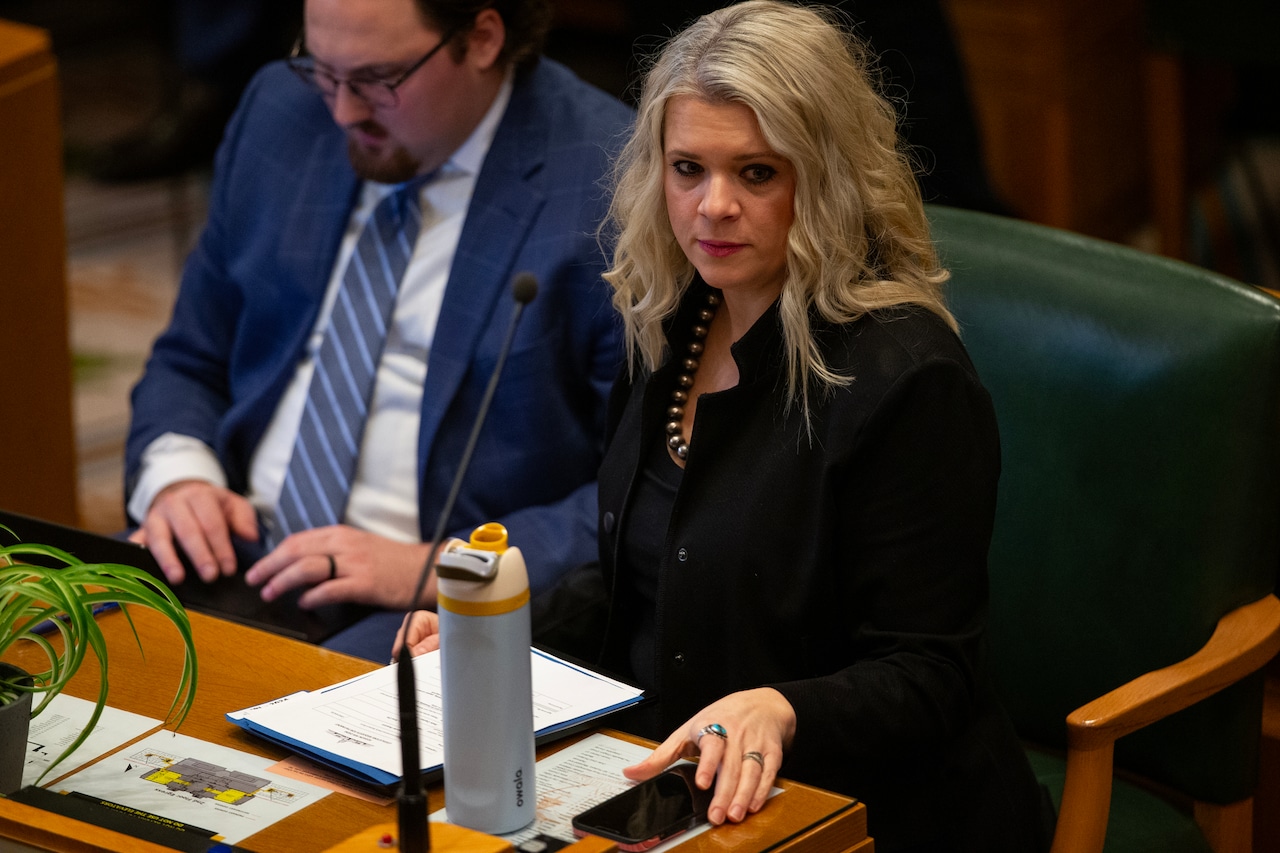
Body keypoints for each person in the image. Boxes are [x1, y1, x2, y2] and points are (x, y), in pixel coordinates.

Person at [399, 2, 1050, 850]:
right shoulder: (670, 319)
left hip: (869, 810)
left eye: (756, 174)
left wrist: (784, 707)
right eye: (687, 167)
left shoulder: (906, 378)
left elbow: (931, 675)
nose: (713, 206)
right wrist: (494, 631)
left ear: (825, 176)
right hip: (674, 786)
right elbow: (639, 578)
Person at [125, 0, 634, 660]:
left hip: (423, 602)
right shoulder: (282, 109)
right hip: (236, 543)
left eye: (376, 80)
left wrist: (436, 564)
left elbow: (640, 500)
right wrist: (179, 479)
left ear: (481, 38)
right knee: (44, 667)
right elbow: (191, 356)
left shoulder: (611, 187)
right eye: (323, 71)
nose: (342, 112)